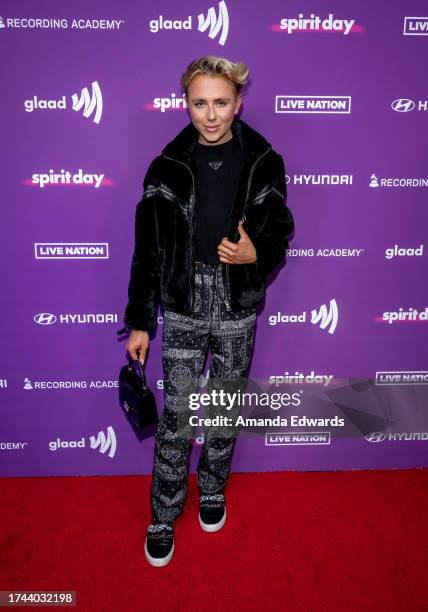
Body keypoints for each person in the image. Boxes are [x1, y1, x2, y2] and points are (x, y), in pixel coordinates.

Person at [121, 55, 295, 567]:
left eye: (221, 102)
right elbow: (147, 250)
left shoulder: (264, 160)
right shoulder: (166, 167)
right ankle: (162, 512)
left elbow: (279, 225)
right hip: (182, 303)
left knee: (221, 409)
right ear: (187, 104)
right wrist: (139, 320)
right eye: (200, 103)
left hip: (237, 302)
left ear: (239, 103)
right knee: (177, 415)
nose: (211, 115)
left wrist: (255, 252)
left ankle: (213, 489)